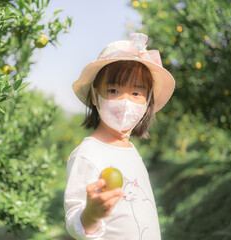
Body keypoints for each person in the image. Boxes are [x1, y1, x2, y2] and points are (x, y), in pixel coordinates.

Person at [64, 33, 175, 240]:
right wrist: (91, 214)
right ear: (95, 96)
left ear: (148, 100)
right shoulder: (88, 154)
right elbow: (73, 218)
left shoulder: (131, 150)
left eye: (136, 93)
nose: (125, 101)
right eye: (114, 90)